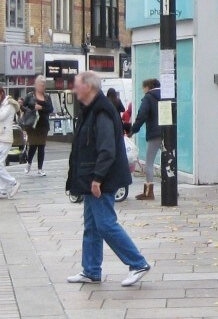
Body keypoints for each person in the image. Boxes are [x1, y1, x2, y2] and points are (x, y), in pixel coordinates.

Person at [66, 71, 150, 286]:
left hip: (101, 179)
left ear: (89, 87)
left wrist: (97, 178)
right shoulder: (90, 110)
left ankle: (137, 263)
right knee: (92, 226)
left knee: (105, 224)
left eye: (77, 86)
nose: (74, 90)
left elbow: (107, 149)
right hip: (91, 177)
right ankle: (91, 270)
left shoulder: (102, 111)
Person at [129, 79, 162, 201]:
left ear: (148, 87)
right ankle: (171, 188)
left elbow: (142, 114)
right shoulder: (168, 95)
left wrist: (133, 129)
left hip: (155, 133)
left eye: (143, 88)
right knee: (168, 161)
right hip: (168, 133)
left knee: (149, 162)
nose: (143, 91)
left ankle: (149, 192)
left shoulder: (149, 97)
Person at [0, 86, 21, 200]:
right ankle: (2, 190)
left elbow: (1, 117)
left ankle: (14, 182)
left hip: (5, 138)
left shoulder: (10, 105)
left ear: (2, 93)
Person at [21, 76, 54, 177]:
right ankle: (29, 163)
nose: (42, 86)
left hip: (43, 124)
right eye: (40, 84)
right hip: (32, 124)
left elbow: (51, 109)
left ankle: (40, 168)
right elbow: (23, 106)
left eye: (43, 85)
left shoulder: (47, 97)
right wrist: (31, 109)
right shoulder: (30, 95)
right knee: (33, 145)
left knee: (41, 146)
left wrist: (42, 107)